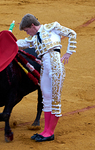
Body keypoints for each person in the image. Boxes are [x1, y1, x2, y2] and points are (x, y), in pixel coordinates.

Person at [16, 13, 77, 142]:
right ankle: (45, 131)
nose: (27, 33)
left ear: (32, 25)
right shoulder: (32, 39)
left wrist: (68, 53)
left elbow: (72, 33)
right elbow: (20, 43)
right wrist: (8, 41)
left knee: (54, 99)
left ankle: (50, 132)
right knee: (46, 98)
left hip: (55, 65)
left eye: (27, 30)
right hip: (45, 66)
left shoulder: (52, 27)